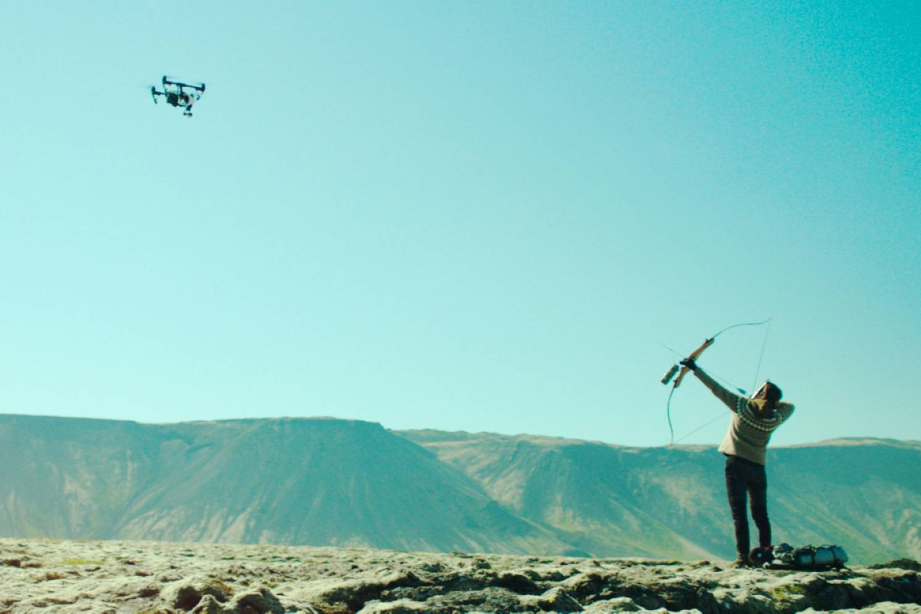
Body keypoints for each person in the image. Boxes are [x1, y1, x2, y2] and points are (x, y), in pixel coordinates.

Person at [679, 357, 795, 567]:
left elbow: (715, 388)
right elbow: (789, 406)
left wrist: (694, 368)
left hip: (737, 466)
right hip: (758, 469)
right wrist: (770, 403)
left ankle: (743, 558)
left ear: (760, 395)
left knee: (739, 515)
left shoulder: (741, 406)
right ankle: (765, 556)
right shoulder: (774, 419)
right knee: (761, 516)